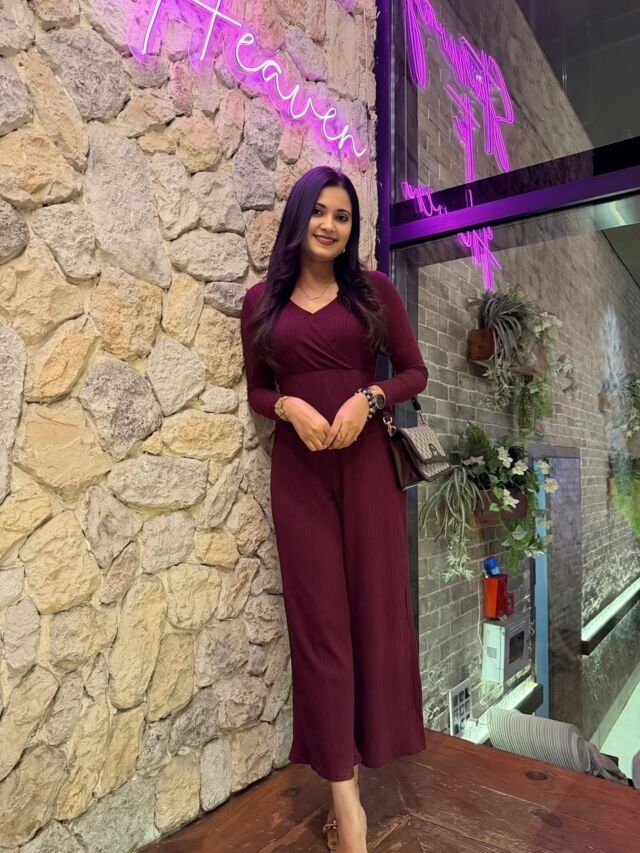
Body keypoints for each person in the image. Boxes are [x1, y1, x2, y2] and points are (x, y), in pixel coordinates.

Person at [239, 165, 429, 853]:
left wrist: (368, 398)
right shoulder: (261, 303)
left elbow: (413, 371)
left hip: (368, 471)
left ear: (353, 229)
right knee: (320, 629)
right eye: (318, 211)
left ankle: (367, 754)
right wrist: (287, 405)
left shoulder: (374, 292)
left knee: (373, 615)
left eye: (342, 215)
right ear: (299, 216)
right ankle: (347, 806)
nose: (329, 224)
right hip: (300, 477)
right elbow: (258, 390)